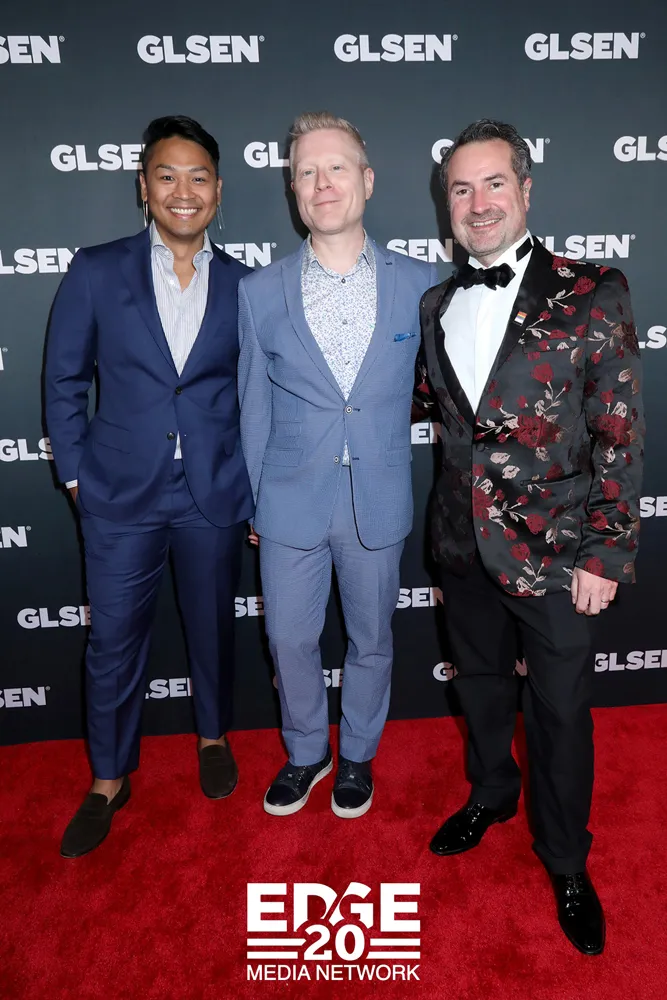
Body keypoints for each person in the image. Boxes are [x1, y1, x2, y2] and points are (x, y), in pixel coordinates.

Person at [416, 119, 644, 954]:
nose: (477, 203)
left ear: (524, 189)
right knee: (479, 687)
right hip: (460, 545)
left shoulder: (593, 290)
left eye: (492, 184)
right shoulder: (435, 304)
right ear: (446, 203)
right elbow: (451, 427)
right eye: (460, 188)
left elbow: (618, 430)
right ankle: (490, 792)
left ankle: (565, 859)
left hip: (557, 552)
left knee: (560, 714)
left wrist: (605, 550)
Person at [45, 115, 253, 858]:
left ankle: (212, 737)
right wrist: (76, 475)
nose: (182, 191)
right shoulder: (96, 270)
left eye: (198, 177)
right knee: (111, 642)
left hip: (212, 493)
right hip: (117, 493)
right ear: (143, 186)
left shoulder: (247, 285)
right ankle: (109, 778)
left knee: (213, 628)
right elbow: (64, 380)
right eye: (167, 175)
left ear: (219, 190)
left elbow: (257, 396)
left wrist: (251, 484)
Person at [238, 111, 436, 819]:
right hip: (288, 498)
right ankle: (304, 752)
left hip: (376, 497)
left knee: (371, 638)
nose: (322, 183)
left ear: (367, 180)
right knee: (288, 637)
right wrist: (254, 499)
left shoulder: (423, 283)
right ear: (293, 190)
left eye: (336, 168)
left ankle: (355, 752)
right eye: (306, 172)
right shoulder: (258, 292)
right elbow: (253, 405)